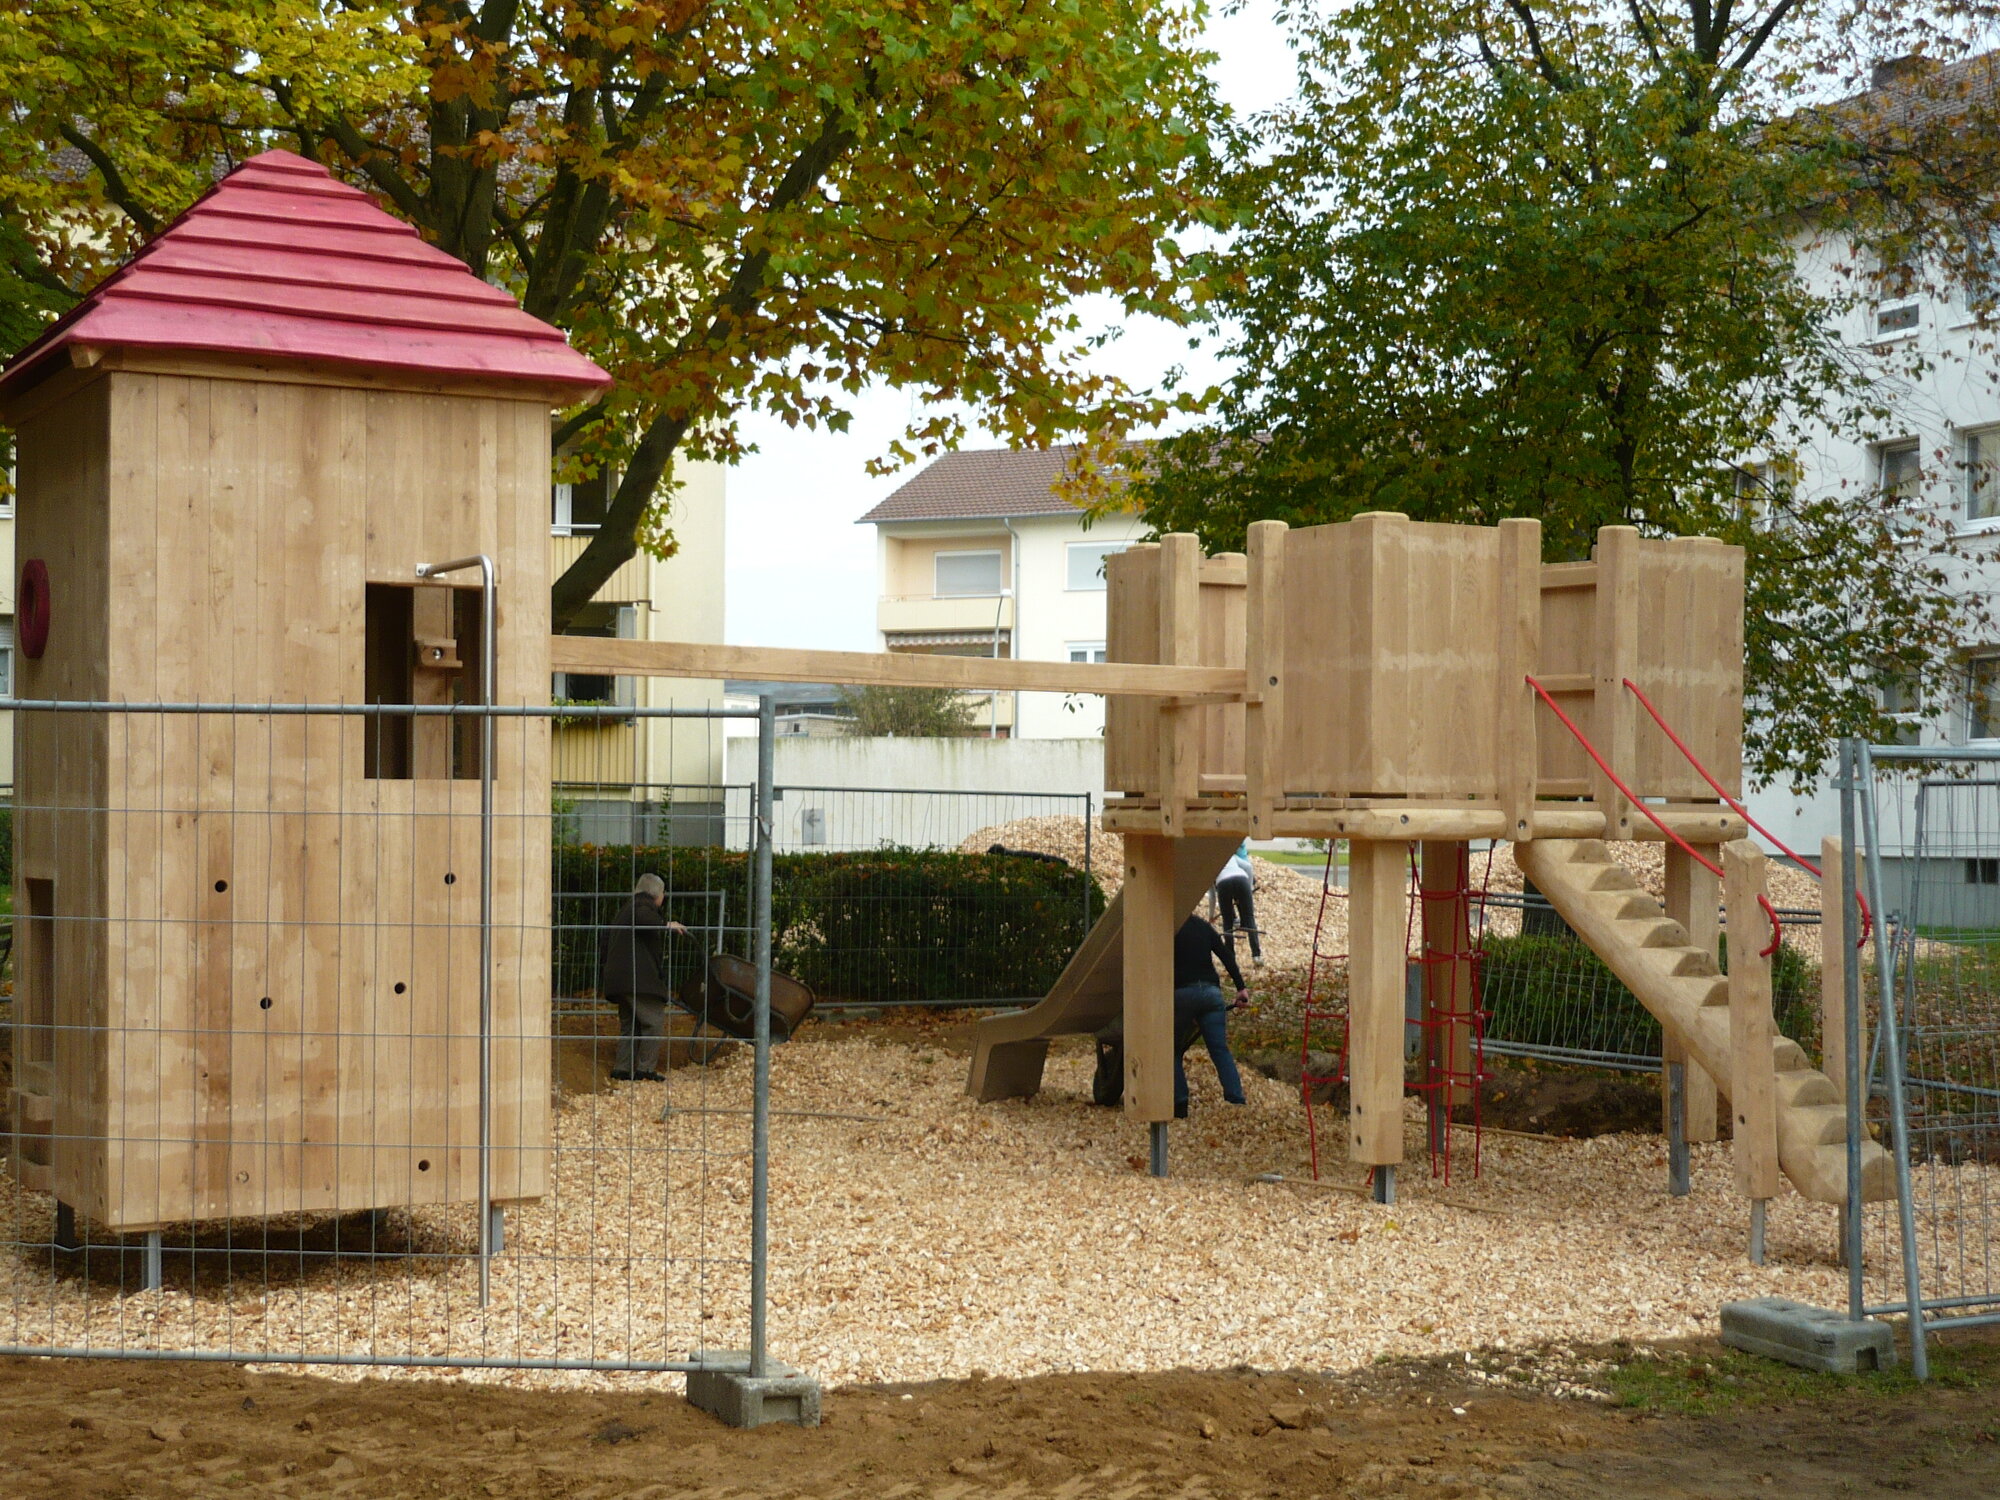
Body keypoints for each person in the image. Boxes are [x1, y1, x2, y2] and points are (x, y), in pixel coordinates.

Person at [599, 872, 688, 1081]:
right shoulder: (642, 907)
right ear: (657, 894)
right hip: (638, 979)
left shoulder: (624, 910)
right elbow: (644, 918)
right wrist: (667, 925)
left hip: (619, 978)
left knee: (630, 1024)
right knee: (653, 1020)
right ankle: (645, 1069)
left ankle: (622, 1068)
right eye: (663, 893)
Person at [1172, 912, 1249, 1117]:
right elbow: (1225, 956)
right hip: (1211, 993)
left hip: (1182, 994)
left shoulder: (1169, 928)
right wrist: (1241, 988)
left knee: (1172, 1050)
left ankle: (1179, 1103)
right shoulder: (1203, 926)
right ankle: (1236, 1100)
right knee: (1219, 1049)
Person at [1214, 839, 1262, 966]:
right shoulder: (1232, 857)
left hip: (1223, 883)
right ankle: (1257, 956)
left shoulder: (1210, 864)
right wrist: (1250, 888)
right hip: (1242, 880)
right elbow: (1248, 867)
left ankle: (1230, 957)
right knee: (1249, 919)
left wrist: (1210, 915)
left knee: (1227, 922)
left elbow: (1213, 895)